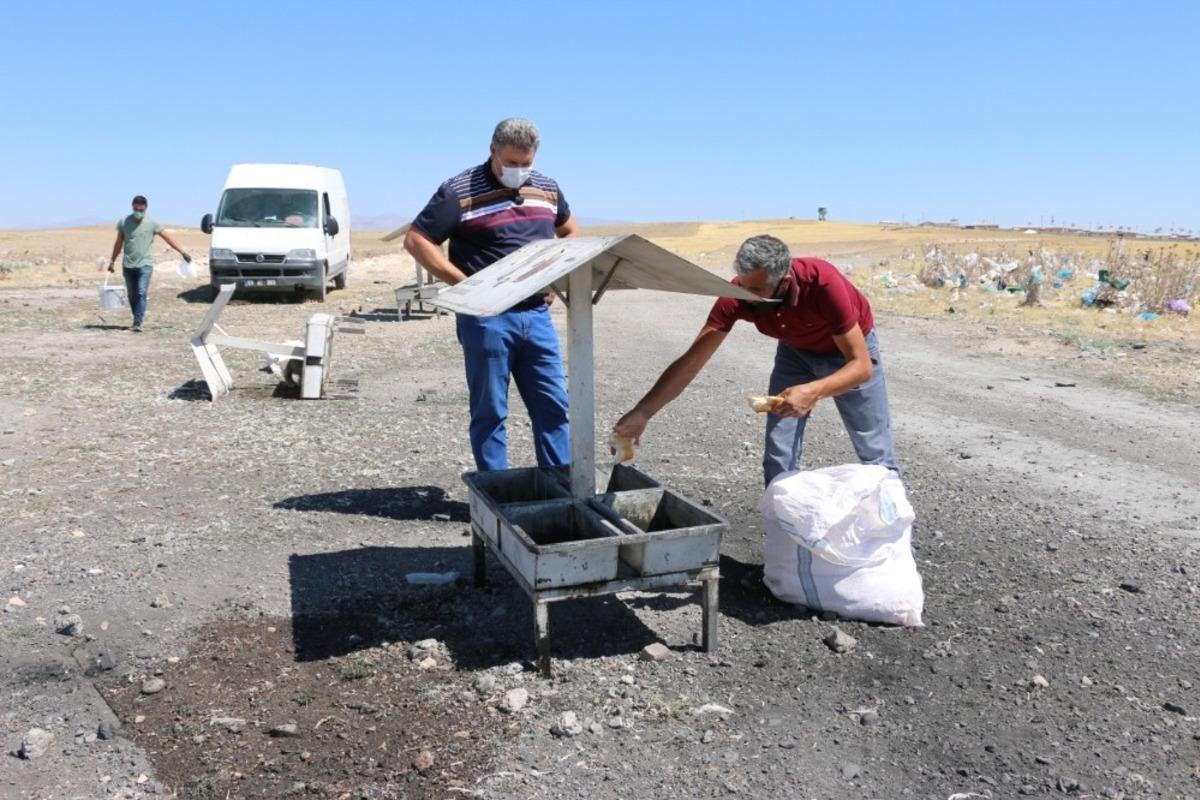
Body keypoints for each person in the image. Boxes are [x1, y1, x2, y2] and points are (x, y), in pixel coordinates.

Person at [613, 234, 898, 486]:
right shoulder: (739, 293)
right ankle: (784, 538)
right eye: (743, 287)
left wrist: (814, 391)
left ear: (784, 282)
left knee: (874, 449)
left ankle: (891, 537)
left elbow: (861, 367)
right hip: (795, 353)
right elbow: (691, 362)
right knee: (779, 453)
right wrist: (643, 412)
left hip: (846, 354)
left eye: (757, 291)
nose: (746, 297)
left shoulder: (823, 283)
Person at [404, 118, 579, 471]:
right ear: (492, 150)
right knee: (490, 410)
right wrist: (465, 285)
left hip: (536, 316)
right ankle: (496, 495)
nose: (519, 171)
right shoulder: (459, 190)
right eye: (511, 163)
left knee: (553, 405)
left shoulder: (546, 188)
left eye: (526, 163)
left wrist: (555, 280)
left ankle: (559, 487)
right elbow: (417, 240)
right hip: (486, 319)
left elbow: (570, 232)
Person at [106, 195, 192, 331]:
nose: (138, 212)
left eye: (141, 210)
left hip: (145, 265)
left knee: (141, 292)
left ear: (146, 208)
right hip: (128, 265)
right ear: (132, 207)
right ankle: (137, 317)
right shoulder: (124, 222)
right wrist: (112, 261)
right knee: (132, 294)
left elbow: (168, 238)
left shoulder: (153, 223)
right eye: (136, 209)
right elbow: (118, 244)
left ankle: (137, 322)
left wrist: (183, 252)